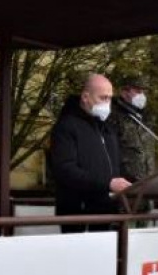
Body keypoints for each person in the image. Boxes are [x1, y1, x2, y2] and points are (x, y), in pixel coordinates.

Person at [50, 74, 131, 233]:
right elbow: (65, 170)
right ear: (85, 97)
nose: (107, 103)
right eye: (103, 98)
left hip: (107, 213)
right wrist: (107, 184)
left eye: (110, 98)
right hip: (78, 214)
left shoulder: (107, 129)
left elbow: (116, 167)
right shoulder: (67, 126)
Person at [111, 76, 156, 183]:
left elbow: (149, 152)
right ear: (124, 92)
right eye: (138, 91)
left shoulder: (145, 118)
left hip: (148, 181)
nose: (142, 95)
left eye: (144, 92)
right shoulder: (113, 116)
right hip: (125, 183)